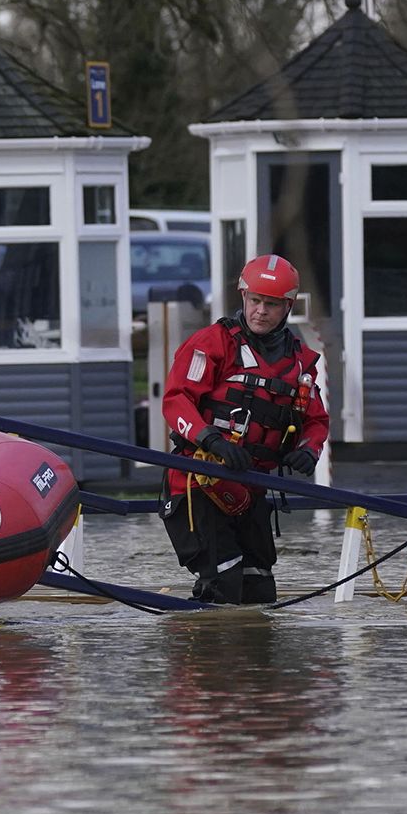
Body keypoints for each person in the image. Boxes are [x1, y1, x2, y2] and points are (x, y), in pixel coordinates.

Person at [159, 254, 330, 604]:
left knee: (260, 584)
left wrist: (308, 450)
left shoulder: (300, 363)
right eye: (254, 301)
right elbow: (176, 400)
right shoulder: (212, 344)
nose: (260, 311)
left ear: (288, 306)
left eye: (270, 304)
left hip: (251, 488)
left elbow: (316, 420)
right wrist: (211, 440)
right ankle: (207, 653)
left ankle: (251, 659)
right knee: (223, 580)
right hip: (199, 482)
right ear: (243, 298)